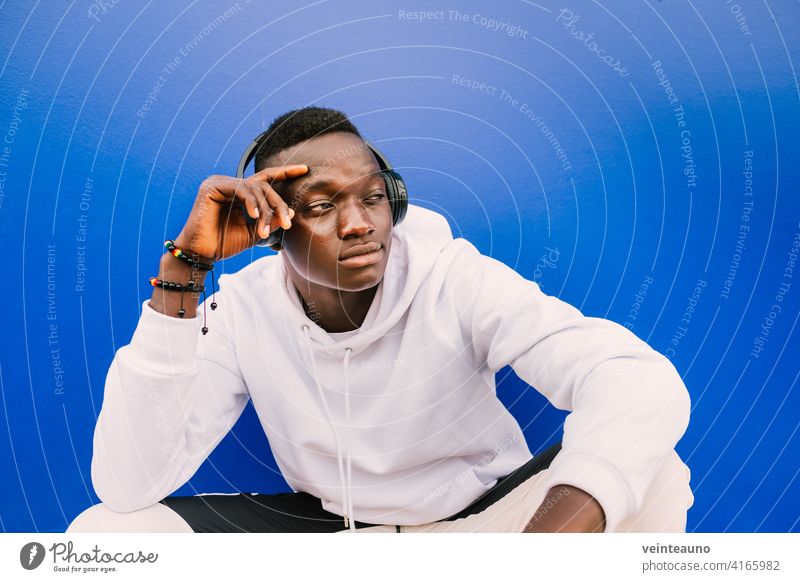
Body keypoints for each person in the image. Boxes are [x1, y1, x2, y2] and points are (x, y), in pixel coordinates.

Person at [68, 107, 693, 534]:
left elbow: (633, 377)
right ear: (270, 231)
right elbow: (126, 482)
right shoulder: (241, 308)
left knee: (656, 474)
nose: (360, 222)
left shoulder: (452, 276)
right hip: (338, 539)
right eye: (320, 205)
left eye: (372, 196)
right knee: (108, 537)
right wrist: (185, 272)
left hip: (484, 530)